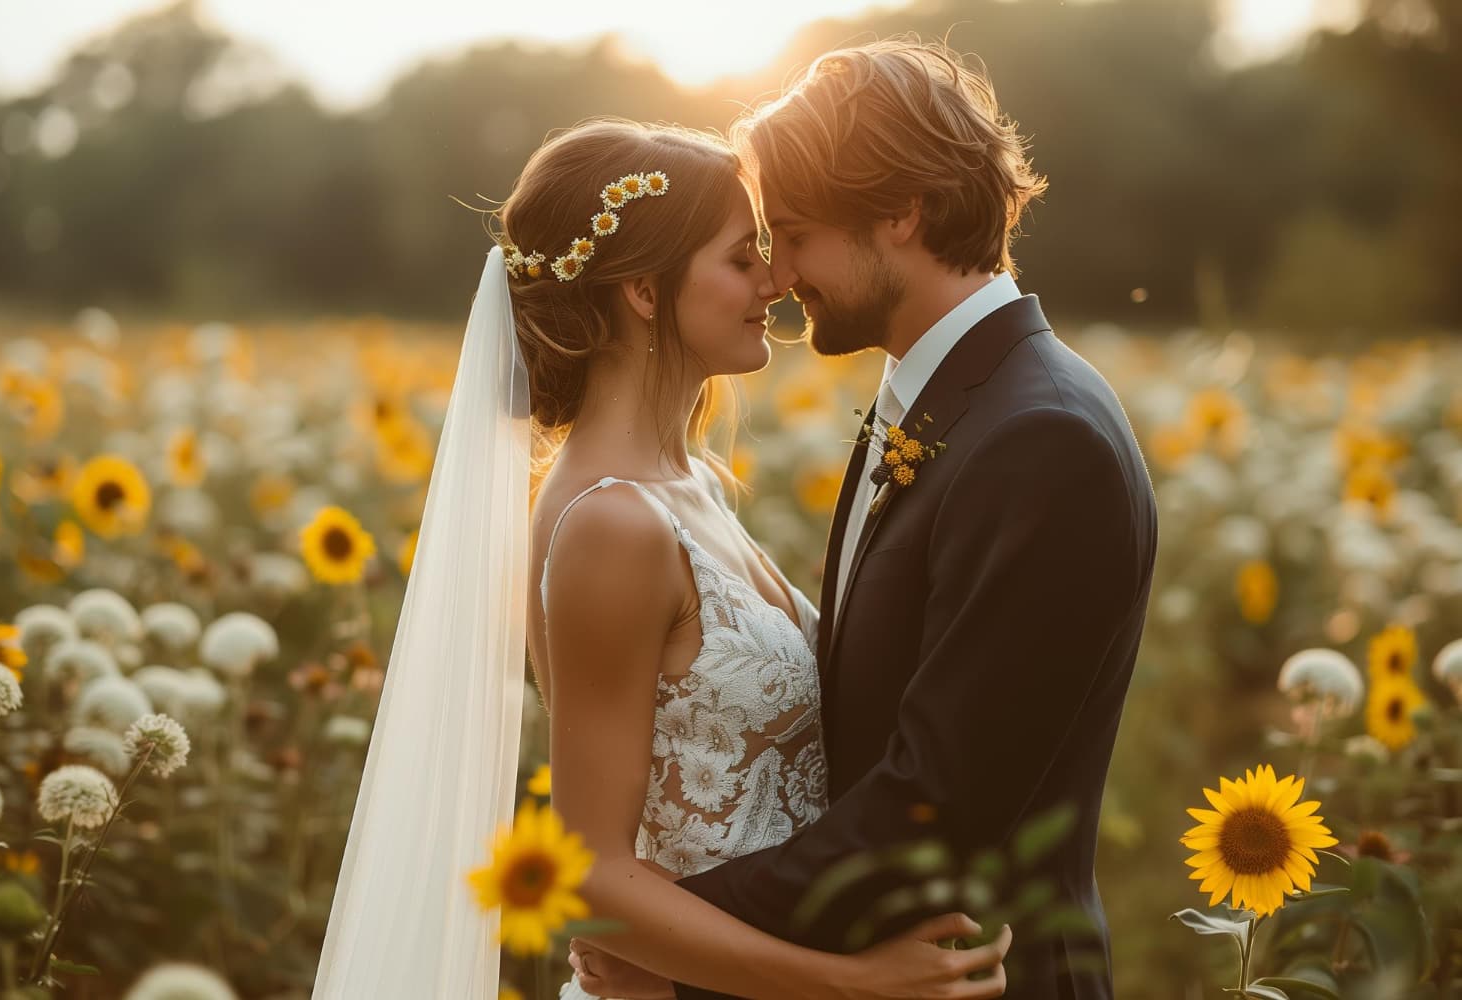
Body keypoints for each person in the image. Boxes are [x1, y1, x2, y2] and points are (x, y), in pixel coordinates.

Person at [312, 116, 1009, 999]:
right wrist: (847, 983)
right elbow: (594, 876)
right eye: (740, 257)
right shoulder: (614, 524)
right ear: (644, 290)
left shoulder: (691, 483)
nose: (776, 279)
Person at [573, 37, 1159, 1000]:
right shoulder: (940, 400)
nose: (781, 274)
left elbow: (932, 804)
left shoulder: (1042, 438)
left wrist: (668, 940)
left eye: (796, 233)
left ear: (901, 211)